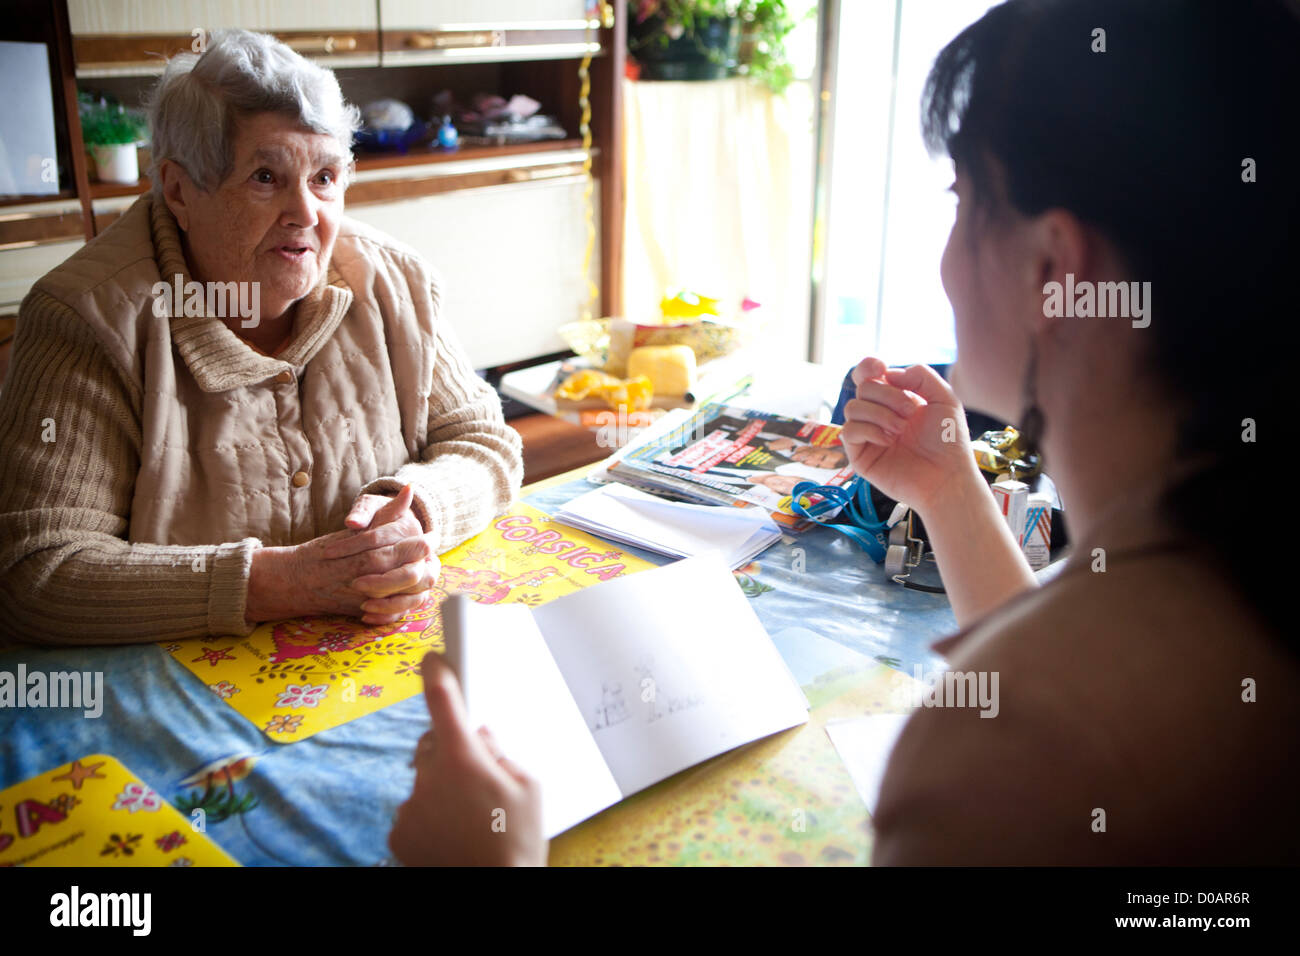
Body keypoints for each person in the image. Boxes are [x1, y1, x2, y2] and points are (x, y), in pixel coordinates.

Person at [387, 0, 1300, 865]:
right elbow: (1087, 654)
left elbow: (1060, 695)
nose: (944, 254)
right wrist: (949, 493)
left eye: (958, 198)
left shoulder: (1020, 756)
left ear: (1055, 270)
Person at [0, 30, 522, 644]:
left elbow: (486, 444)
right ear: (178, 190)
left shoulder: (394, 282)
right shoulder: (85, 316)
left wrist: (417, 513)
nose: (306, 213)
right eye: (267, 177)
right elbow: (37, 572)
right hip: (176, 696)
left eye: (325, 177)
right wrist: (281, 582)